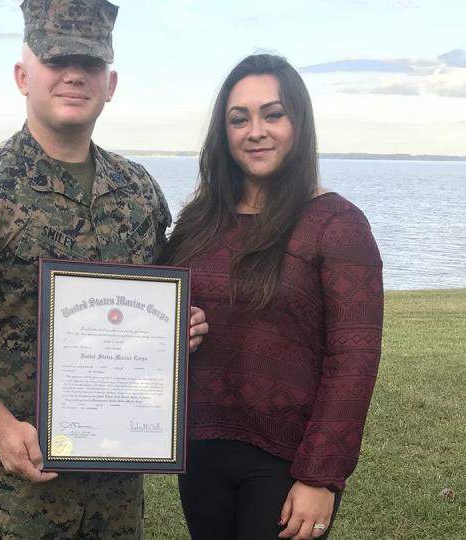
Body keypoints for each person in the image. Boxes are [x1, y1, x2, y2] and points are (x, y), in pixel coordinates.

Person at [0, 1, 207, 537]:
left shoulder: (138, 193)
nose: (73, 74)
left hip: (118, 477)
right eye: (55, 59)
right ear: (23, 76)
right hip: (15, 486)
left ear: (110, 83)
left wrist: (177, 330)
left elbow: (153, 307)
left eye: (89, 64)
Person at [162, 54, 384, 540]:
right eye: (238, 119)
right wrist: (176, 329)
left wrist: (320, 476)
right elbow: (154, 313)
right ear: (223, 132)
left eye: (273, 114)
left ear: (298, 123)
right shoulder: (198, 222)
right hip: (200, 450)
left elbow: (355, 356)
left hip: (288, 461)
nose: (255, 130)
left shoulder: (337, 224)